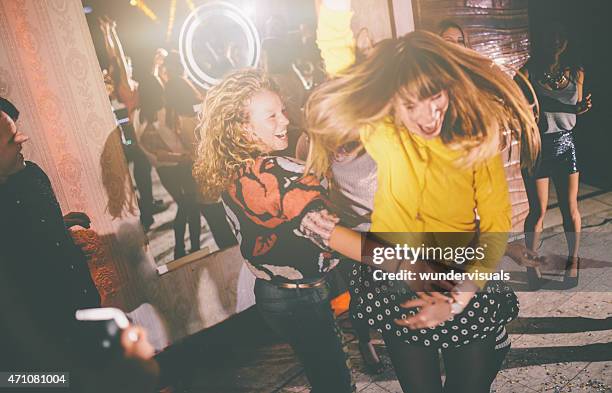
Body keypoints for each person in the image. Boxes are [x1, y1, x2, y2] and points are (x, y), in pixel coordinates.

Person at [304, 1, 540, 392]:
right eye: (412, 106)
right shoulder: (385, 132)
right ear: (392, 104)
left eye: (436, 98)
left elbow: (497, 224)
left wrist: (460, 295)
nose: (429, 116)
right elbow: (338, 55)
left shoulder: (476, 138)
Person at [518, 25, 592, 289]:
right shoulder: (526, 72)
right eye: (551, 35)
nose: (556, 40)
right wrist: (572, 107)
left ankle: (573, 262)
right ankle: (532, 264)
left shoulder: (576, 72)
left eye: (560, 36)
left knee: (570, 209)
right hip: (537, 145)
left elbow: (574, 111)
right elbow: (537, 106)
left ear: (566, 40)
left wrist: (579, 109)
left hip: (565, 142)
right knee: (537, 211)